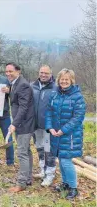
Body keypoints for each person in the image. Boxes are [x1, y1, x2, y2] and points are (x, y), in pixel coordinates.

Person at [46, 68, 85, 200]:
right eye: (62, 79)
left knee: (66, 161)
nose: (64, 81)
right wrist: (50, 128)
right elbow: (49, 113)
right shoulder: (54, 94)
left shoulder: (77, 97)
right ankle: (65, 184)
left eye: (66, 79)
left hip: (70, 136)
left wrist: (63, 130)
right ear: (58, 80)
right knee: (61, 161)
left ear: (71, 80)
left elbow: (78, 117)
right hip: (56, 134)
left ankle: (73, 188)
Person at [5, 63, 35, 193]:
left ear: (18, 71)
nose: (8, 73)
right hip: (23, 123)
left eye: (11, 71)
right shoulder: (15, 83)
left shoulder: (23, 85)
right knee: (27, 151)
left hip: (24, 124)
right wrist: (8, 91)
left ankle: (21, 183)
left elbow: (23, 107)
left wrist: (14, 124)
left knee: (22, 152)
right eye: (6, 71)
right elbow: (15, 100)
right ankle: (28, 178)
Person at [31, 65, 57, 186]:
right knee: (39, 148)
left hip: (48, 125)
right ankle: (43, 169)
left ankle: (50, 174)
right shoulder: (33, 86)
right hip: (35, 125)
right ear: (39, 73)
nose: (43, 75)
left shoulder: (55, 88)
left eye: (46, 73)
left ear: (51, 74)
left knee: (48, 150)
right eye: (42, 72)